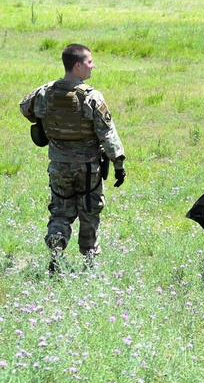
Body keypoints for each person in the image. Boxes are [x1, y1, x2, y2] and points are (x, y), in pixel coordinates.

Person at [20, 44, 126, 273]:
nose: (93, 66)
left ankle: (56, 256)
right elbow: (108, 133)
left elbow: (24, 107)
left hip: (58, 166)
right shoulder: (91, 97)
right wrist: (119, 164)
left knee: (60, 211)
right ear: (77, 66)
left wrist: (44, 119)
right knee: (90, 213)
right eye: (89, 62)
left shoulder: (45, 92)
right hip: (88, 169)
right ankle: (90, 266)